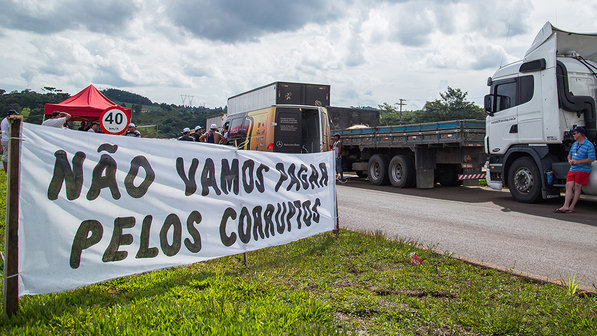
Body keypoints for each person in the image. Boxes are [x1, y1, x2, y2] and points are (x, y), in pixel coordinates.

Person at [554, 126, 596, 213]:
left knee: (577, 187)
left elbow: (591, 158)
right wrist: (569, 160)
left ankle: (572, 206)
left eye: (574, 133)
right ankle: (565, 206)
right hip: (573, 168)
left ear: (580, 134)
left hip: (583, 169)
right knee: (568, 186)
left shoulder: (589, 145)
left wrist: (578, 162)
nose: (573, 135)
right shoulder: (575, 144)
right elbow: (569, 154)